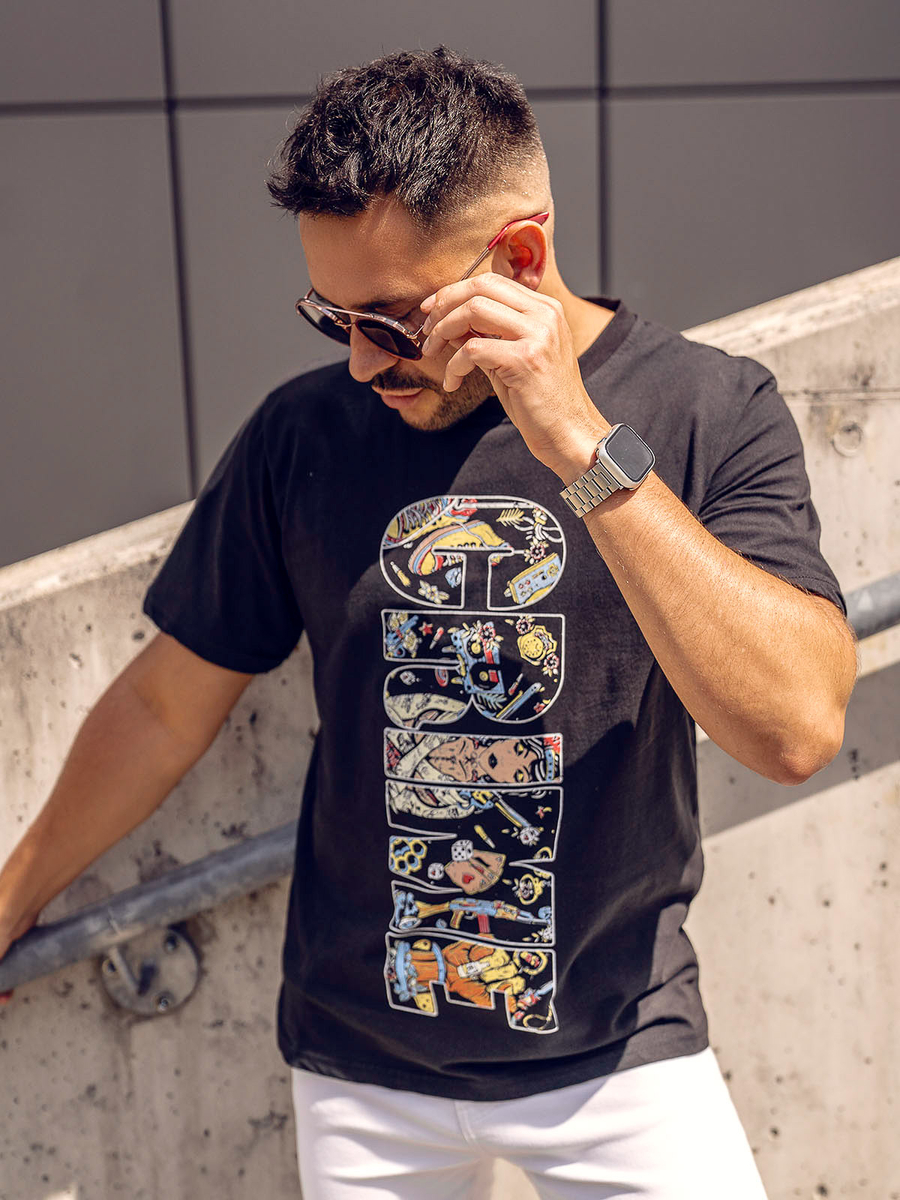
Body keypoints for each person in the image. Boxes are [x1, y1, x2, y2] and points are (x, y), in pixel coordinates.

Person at [0, 46, 857, 1199]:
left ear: (520, 258)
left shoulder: (708, 407)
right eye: (334, 318)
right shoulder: (300, 437)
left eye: (395, 323)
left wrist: (578, 445)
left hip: (619, 1052)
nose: (362, 362)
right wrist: (12, 894)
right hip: (364, 1071)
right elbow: (165, 703)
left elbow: (796, 729)